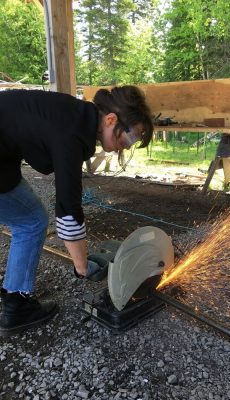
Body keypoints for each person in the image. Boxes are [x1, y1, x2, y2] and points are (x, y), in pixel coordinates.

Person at [0, 85, 153, 337]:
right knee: (32, 222)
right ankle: (16, 307)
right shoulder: (72, 132)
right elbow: (68, 210)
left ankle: (15, 296)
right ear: (111, 119)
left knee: (30, 218)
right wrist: (82, 266)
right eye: (130, 138)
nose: (125, 146)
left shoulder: (74, 115)